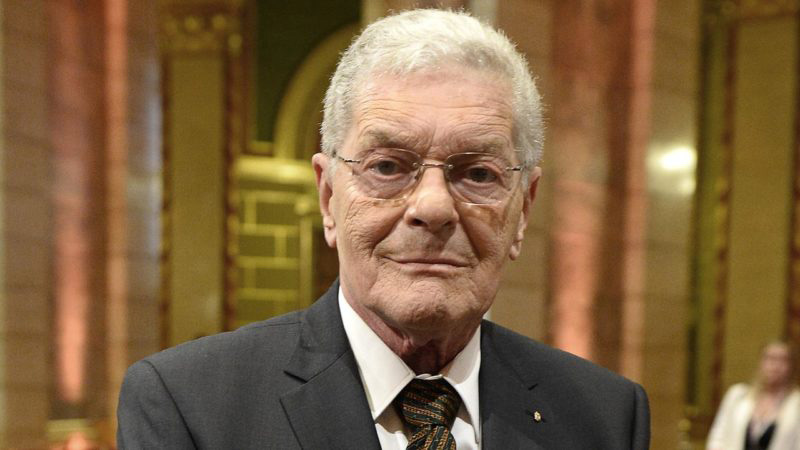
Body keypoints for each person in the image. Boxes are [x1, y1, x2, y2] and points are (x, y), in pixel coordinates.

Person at [117, 9, 649, 449]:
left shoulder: (604, 417)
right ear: (328, 196)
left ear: (523, 209)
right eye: (389, 166)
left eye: (477, 173)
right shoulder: (190, 406)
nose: (434, 207)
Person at [707, 341, 800, 450]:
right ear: (761, 362)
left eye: (782, 360)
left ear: (791, 365)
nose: (775, 366)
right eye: (770, 358)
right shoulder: (738, 396)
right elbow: (717, 438)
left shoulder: (796, 403)